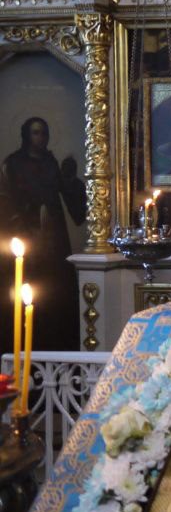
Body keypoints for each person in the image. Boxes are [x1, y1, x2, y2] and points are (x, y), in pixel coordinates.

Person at [0, 117, 87, 354]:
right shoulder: (13, 164)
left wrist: (70, 178)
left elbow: (70, 199)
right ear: (26, 135)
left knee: (55, 290)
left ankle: (57, 344)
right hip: (25, 237)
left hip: (53, 237)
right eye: (36, 133)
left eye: (44, 133)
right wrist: (26, 225)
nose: (41, 138)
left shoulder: (50, 162)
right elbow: (5, 202)